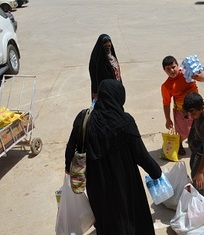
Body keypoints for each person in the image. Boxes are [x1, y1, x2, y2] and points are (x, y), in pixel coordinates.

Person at [65, 79, 162, 235]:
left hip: (97, 183)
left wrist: (68, 169)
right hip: (125, 183)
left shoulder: (84, 118)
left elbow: (71, 149)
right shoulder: (125, 121)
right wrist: (156, 172)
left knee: (106, 218)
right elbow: (140, 155)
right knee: (129, 216)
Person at [161, 55, 204, 156]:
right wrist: (168, 119)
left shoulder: (187, 73)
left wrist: (199, 77)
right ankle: (179, 144)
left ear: (177, 65)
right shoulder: (166, 86)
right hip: (182, 111)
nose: (172, 70)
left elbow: (203, 78)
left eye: (173, 67)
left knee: (201, 128)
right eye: (168, 69)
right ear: (165, 71)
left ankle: (200, 144)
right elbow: (166, 104)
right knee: (184, 133)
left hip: (198, 108)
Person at [183, 92, 204, 200]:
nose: (191, 117)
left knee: (199, 183)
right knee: (194, 175)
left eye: (193, 114)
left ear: (201, 108)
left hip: (201, 153)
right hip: (195, 148)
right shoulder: (203, 105)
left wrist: (200, 172)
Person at [89, 34, 122, 99]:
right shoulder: (96, 61)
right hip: (104, 92)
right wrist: (96, 92)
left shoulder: (112, 58)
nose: (107, 48)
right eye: (105, 46)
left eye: (109, 46)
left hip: (115, 89)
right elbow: (94, 77)